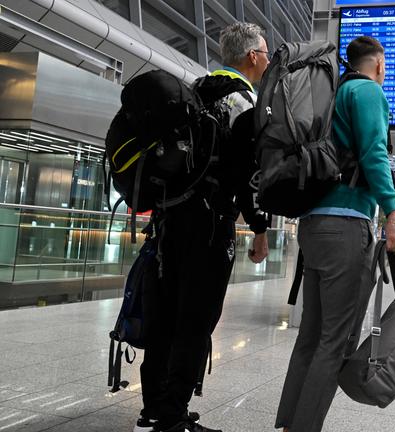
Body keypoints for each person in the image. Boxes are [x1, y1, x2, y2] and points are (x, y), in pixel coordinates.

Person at [138, 22, 271, 432]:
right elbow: (244, 173)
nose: (267, 59)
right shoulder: (243, 102)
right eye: (265, 52)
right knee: (196, 318)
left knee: (165, 313)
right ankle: (173, 416)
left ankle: (152, 409)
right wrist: (259, 227)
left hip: (168, 220)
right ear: (252, 56)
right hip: (210, 224)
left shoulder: (194, 89)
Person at [275, 36, 395, 432]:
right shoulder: (367, 91)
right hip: (346, 226)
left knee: (311, 339)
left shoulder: (330, 97)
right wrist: (393, 211)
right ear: (380, 64)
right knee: (336, 342)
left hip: (314, 226)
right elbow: (374, 153)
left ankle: (289, 424)